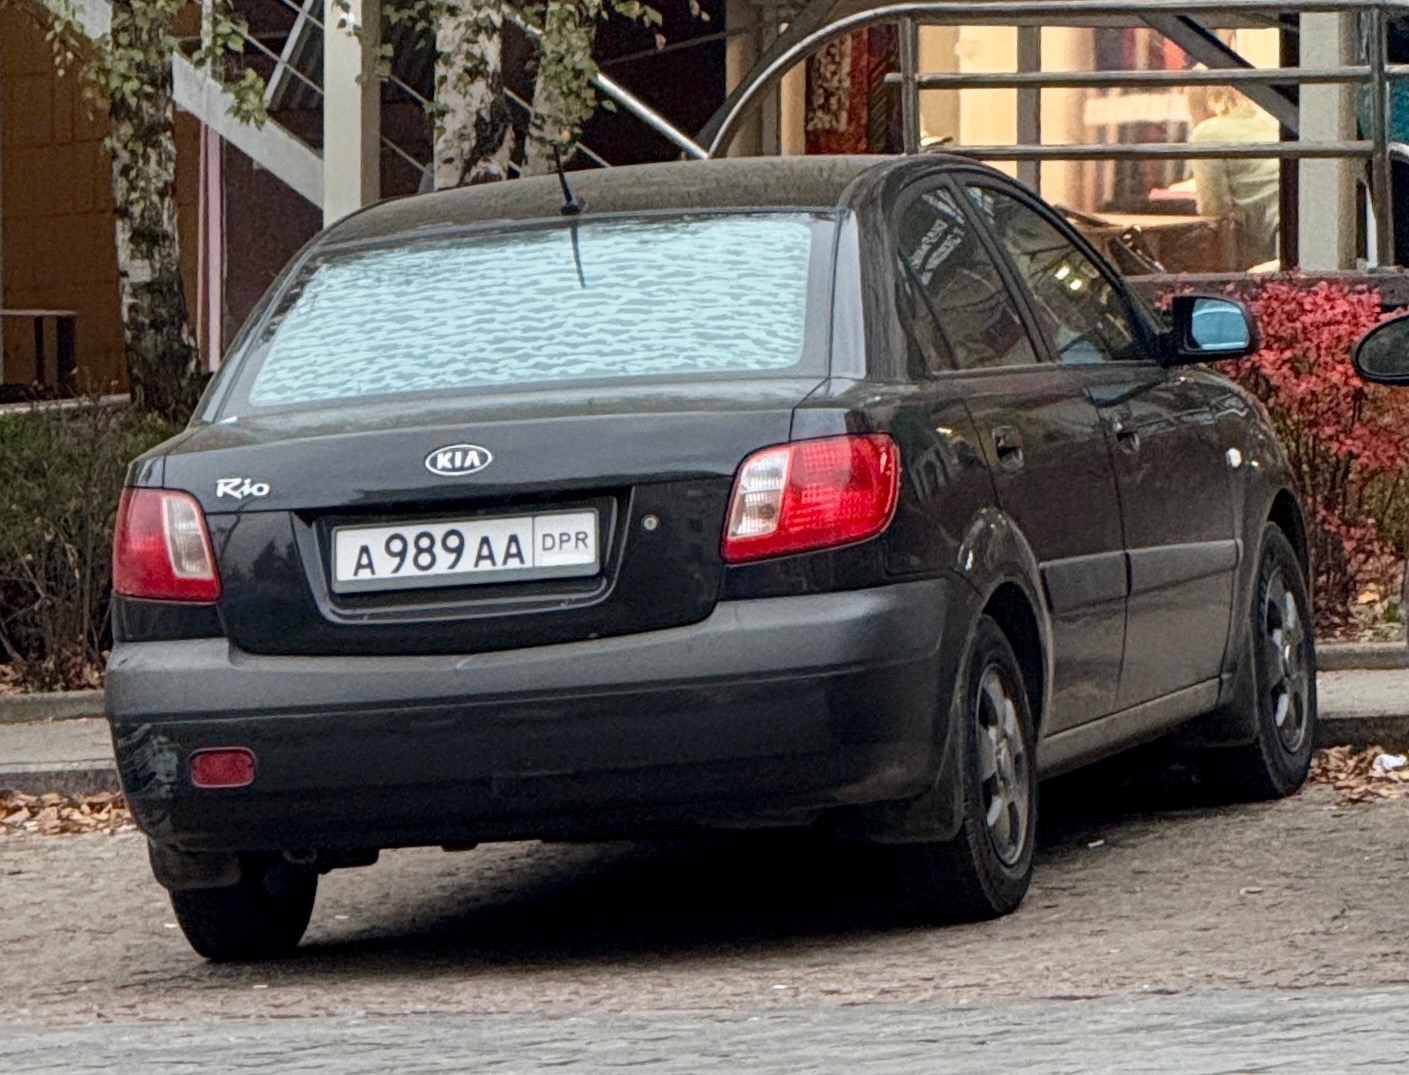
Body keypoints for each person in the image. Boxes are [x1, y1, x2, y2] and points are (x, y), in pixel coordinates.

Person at [1188, 87, 1281, 269]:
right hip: (1293, 236)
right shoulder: (1272, 121)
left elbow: (1214, 208)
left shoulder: (1206, 133)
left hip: (1271, 241)